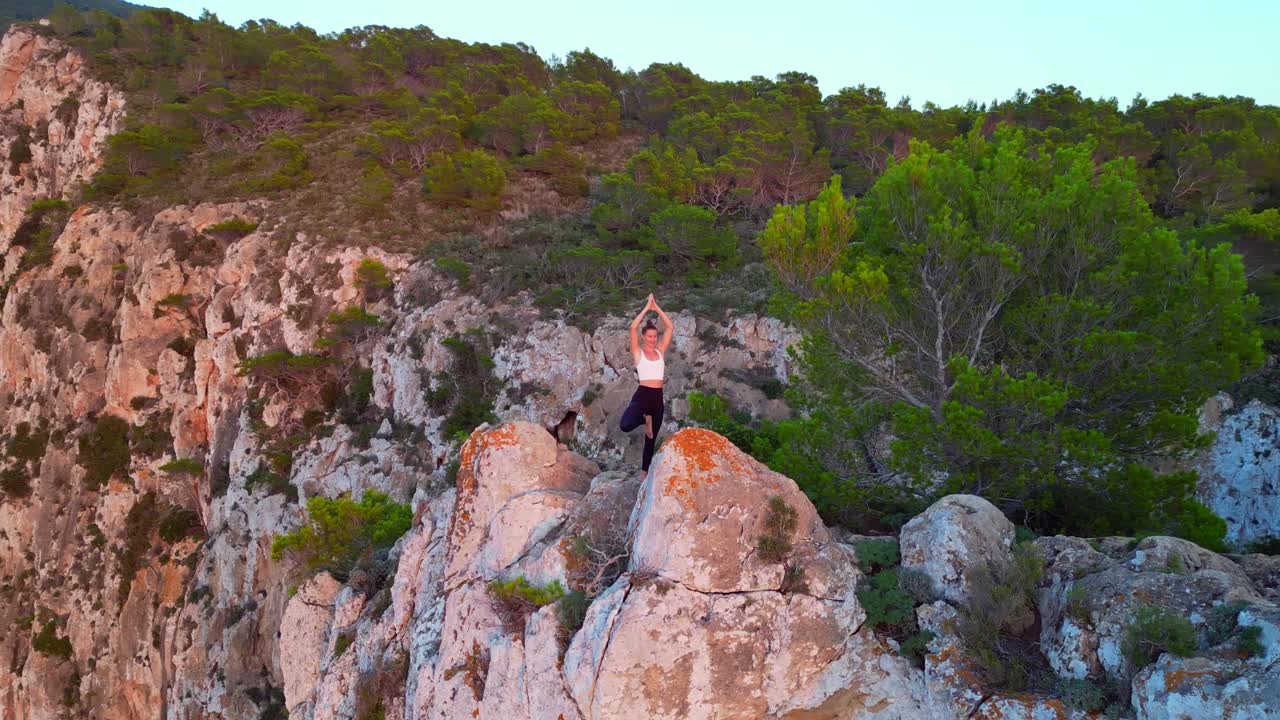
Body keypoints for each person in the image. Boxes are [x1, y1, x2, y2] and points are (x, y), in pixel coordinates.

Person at [620, 293, 673, 472]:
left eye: (654, 336)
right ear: (644, 337)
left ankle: (644, 474)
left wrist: (656, 307)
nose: (653, 339)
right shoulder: (638, 353)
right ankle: (645, 419)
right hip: (643, 396)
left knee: (651, 440)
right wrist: (646, 307)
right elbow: (633, 327)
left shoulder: (660, 352)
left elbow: (670, 327)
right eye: (649, 336)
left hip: (657, 397)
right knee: (625, 424)